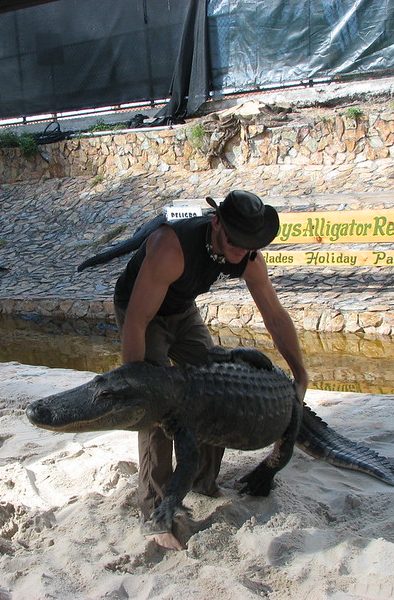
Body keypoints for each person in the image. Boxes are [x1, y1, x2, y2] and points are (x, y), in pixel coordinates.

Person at [112, 190, 309, 551]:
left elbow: (275, 316)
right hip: (141, 311)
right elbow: (138, 323)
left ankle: (203, 481)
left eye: (248, 245)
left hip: (182, 310)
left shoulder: (246, 253)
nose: (240, 252)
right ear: (216, 221)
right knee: (157, 404)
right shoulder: (171, 246)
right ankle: (155, 510)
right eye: (235, 242)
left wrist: (300, 374)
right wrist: (135, 387)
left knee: (214, 384)